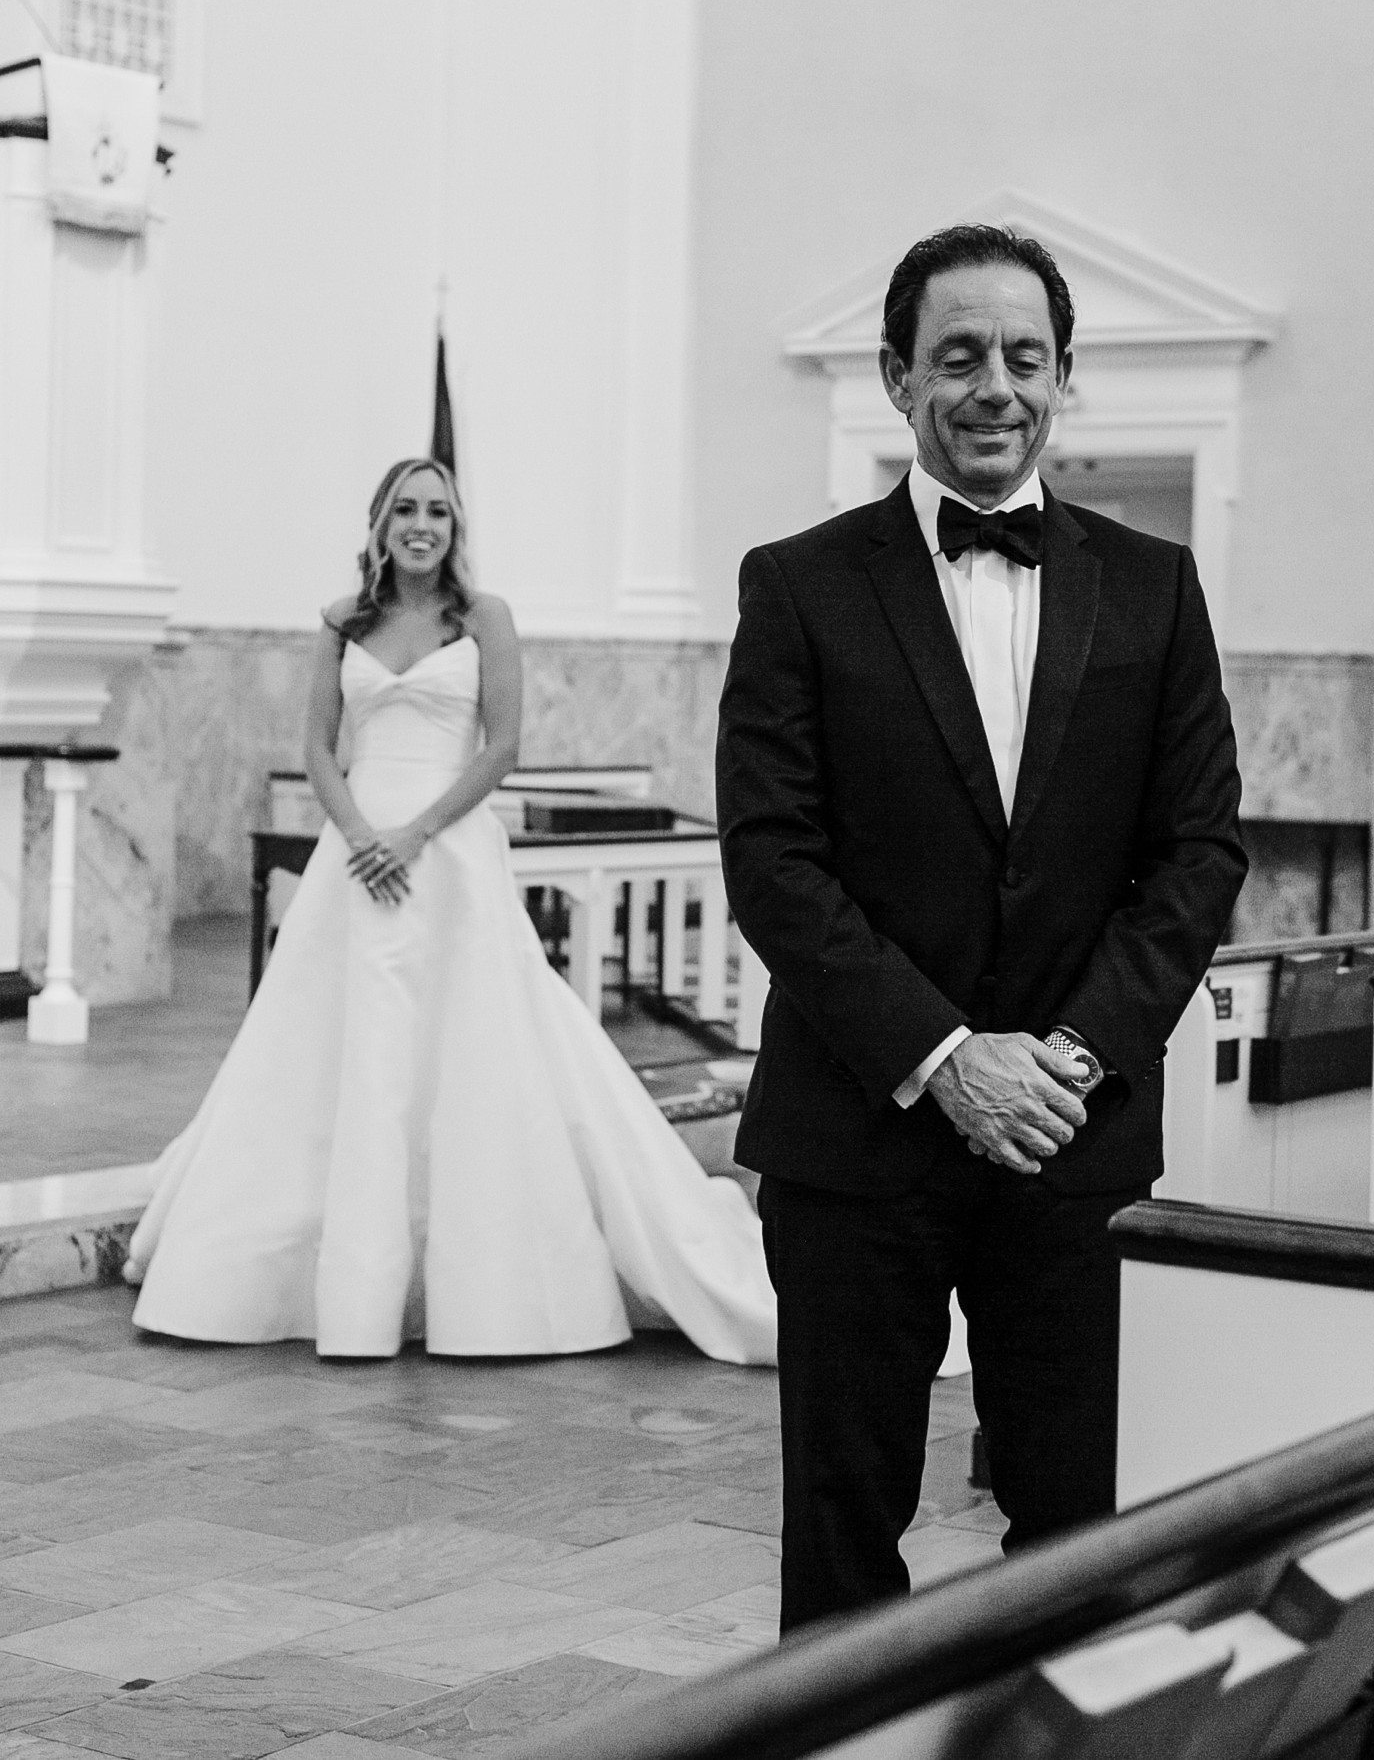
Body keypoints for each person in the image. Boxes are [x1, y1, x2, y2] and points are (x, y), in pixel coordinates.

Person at [716, 222, 1247, 1631]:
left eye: (1025, 355)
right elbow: (774, 861)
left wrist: (1071, 1053)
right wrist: (947, 1055)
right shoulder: (800, 582)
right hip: (856, 1131)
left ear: (1064, 376)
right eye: (959, 355)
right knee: (842, 1526)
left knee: (1078, 1530)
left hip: (1072, 1140)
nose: (993, 384)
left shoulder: (1154, 585)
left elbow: (1199, 852)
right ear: (899, 376)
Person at [127, 457, 776, 1365]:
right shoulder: (339, 621)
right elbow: (318, 748)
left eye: (438, 509)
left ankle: (476, 1276)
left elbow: (501, 746)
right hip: (355, 855)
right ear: (381, 524)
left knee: (466, 1043)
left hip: (449, 848)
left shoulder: (486, 619)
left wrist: (417, 833)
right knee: (329, 1049)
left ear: (454, 525)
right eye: (406, 509)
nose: (422, 523)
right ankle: (306, 1276)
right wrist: (360, 834)